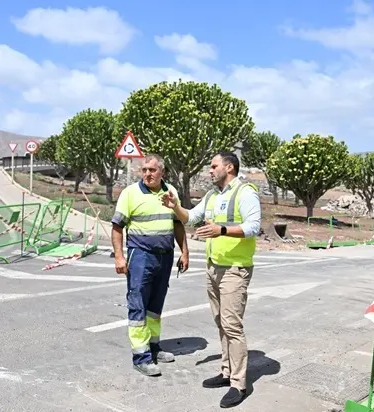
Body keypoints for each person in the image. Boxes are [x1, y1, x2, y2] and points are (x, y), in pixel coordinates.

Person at [161, 151, 261, 408]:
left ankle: (238, 383)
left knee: (232, 326)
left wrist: (221, 230)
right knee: (221, 323)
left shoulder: (245, 193)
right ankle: (227, 371)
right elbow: (191, 217)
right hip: (214, 267)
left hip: (235, 269)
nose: (210, 170)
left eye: (214, 166)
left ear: (229, 167)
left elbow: (254, 227)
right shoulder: (213, 195)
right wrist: (175, 207)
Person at [111, 154, 190, 377]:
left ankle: (154, 347)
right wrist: (119, 257)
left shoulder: (170, 191)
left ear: (162, 172)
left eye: (152, 170)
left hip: (165, 257)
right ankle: (141, 357)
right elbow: (117, 227)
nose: (147, 174)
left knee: (155, 306)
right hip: (140, 256)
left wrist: (184, 252)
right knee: (138, 304)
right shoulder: (130, 193)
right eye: (144, 170)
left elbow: (178, 224)